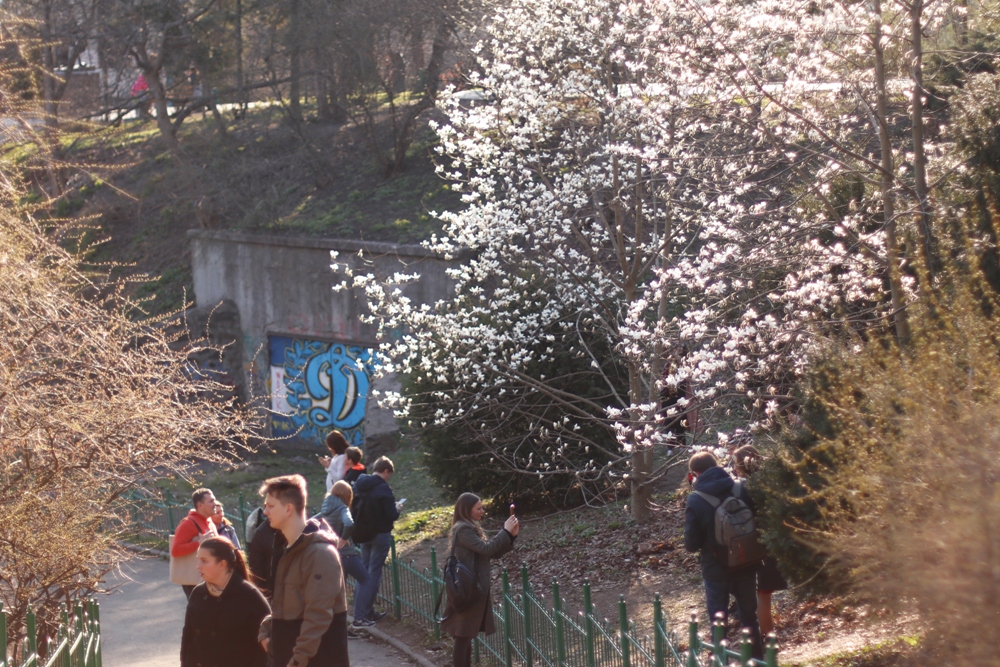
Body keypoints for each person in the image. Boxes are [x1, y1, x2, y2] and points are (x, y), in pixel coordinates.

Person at [258, 474, 349, 667]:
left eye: (270, 505)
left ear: (288, 508)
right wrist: (267, 628)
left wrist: (298, 659)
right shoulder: (286, 549)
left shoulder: (320, 554)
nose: (265, 511)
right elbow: (289, 604)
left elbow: (318, 614)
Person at [684, 451, 763, 659]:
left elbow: (691, 544)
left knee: (718, 622)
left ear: (695, 473)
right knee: (749, 617)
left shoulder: (696, 500)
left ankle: (720, 662)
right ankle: (757, 661)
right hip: (746, 562)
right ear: (717, 465)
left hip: (716, 569)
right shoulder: (742, 488)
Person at [440, 493, 519, 667]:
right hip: (467, 588)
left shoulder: (469, 527)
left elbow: (490, 552)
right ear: (467, 510)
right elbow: (485, 548)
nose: (482, 511)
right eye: (479, 508)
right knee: (463, 637)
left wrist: (510, 536)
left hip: (470, 587)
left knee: (465, 635)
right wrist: (504, 531)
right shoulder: (464, 529)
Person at [181, 536, 270, 667]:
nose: (198, 567)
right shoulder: (198, 593)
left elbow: (265, 649)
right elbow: (188, 639)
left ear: (222, 564)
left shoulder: (249, 597)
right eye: (198, 560)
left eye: (204, 561)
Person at [733, 444, 787, 637]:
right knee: (765, 594)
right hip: (773, 542)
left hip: (754, 546)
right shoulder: (771, 483)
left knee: (762, 595)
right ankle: (768, 633)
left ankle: (767, 636)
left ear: (740, 466)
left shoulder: (741, 489)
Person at [350, 456, 400, 627]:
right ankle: (364, 612)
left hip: (363, 533)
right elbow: (391, 515)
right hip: (380, 534)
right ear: (386, 471)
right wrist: (397, 508)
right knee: (373, 573)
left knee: (362, 570)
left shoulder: (359, 484)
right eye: (389, 474)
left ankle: (361, 609)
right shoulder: (383, 489)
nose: (388, 477)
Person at [314, 480, 369, 621]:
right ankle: (359, 618)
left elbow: (310, 522)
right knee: (365, 580)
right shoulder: (343, 508)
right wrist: (343, 539)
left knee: (340, 591)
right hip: (346, 555)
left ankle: (340, 624)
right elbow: (349, 523)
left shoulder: (325, 509)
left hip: (332, 555)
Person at [172, 488, 220, 598]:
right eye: (211, 501)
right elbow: (175, 551)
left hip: (209, 577)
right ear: (200, 505)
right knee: (201, 613)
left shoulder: (209, 521)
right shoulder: (188, 523)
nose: (215, 504)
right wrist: (199, 543)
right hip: (194, 580)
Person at [247, 513, 285, 601]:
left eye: (271, 506)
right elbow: (256, 570)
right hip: (272, 595)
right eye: (266, 506)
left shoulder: (303, 533)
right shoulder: (261, 533)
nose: (265, 511)